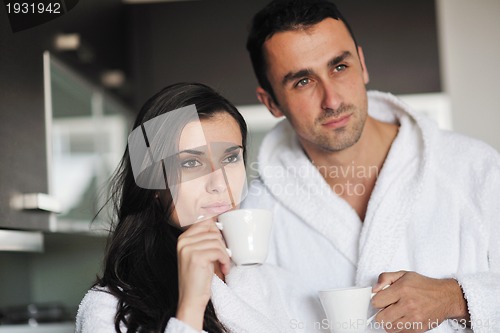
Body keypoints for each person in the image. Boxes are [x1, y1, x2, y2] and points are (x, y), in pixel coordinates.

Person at [243, 1, 500, 332]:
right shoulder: (256, 216)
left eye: (339, 67)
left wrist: (457, 297)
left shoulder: (475, 170)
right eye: (303, 82)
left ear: (362, 65)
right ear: (271, 103)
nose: (332, 100)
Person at [75, 82, 324, 333]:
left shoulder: (276, 285)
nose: (219, 183)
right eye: (191, 162)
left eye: (230, 158)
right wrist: (190, 308)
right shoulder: (109, 308)